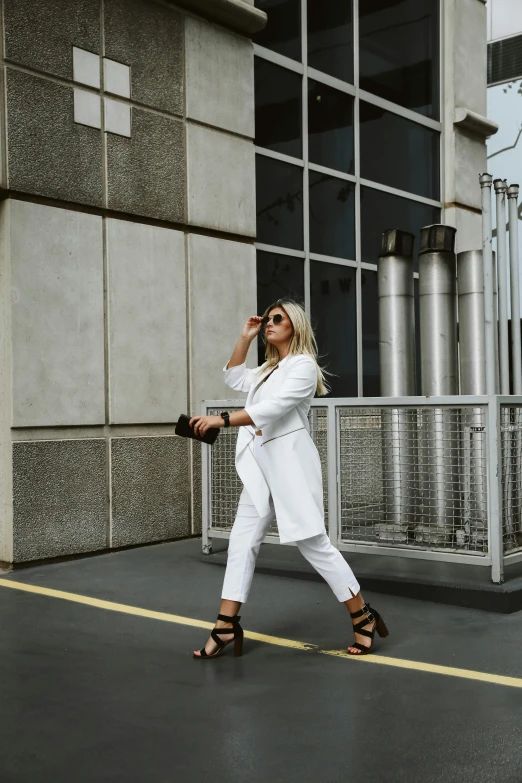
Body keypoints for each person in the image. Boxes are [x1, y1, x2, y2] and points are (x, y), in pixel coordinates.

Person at [190, 299, 388, 659]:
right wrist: (245, 337)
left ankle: (363, 616)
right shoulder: (269, 367)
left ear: (294, 325)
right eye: (267, 319)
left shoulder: (302, 367)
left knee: (315, 545)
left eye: (276, 319)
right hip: (260, 472)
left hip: (290, 471)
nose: (269, 323)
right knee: (241, 542)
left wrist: (222, 419)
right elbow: (233, 375)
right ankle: (224, 625)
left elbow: (272, 409)